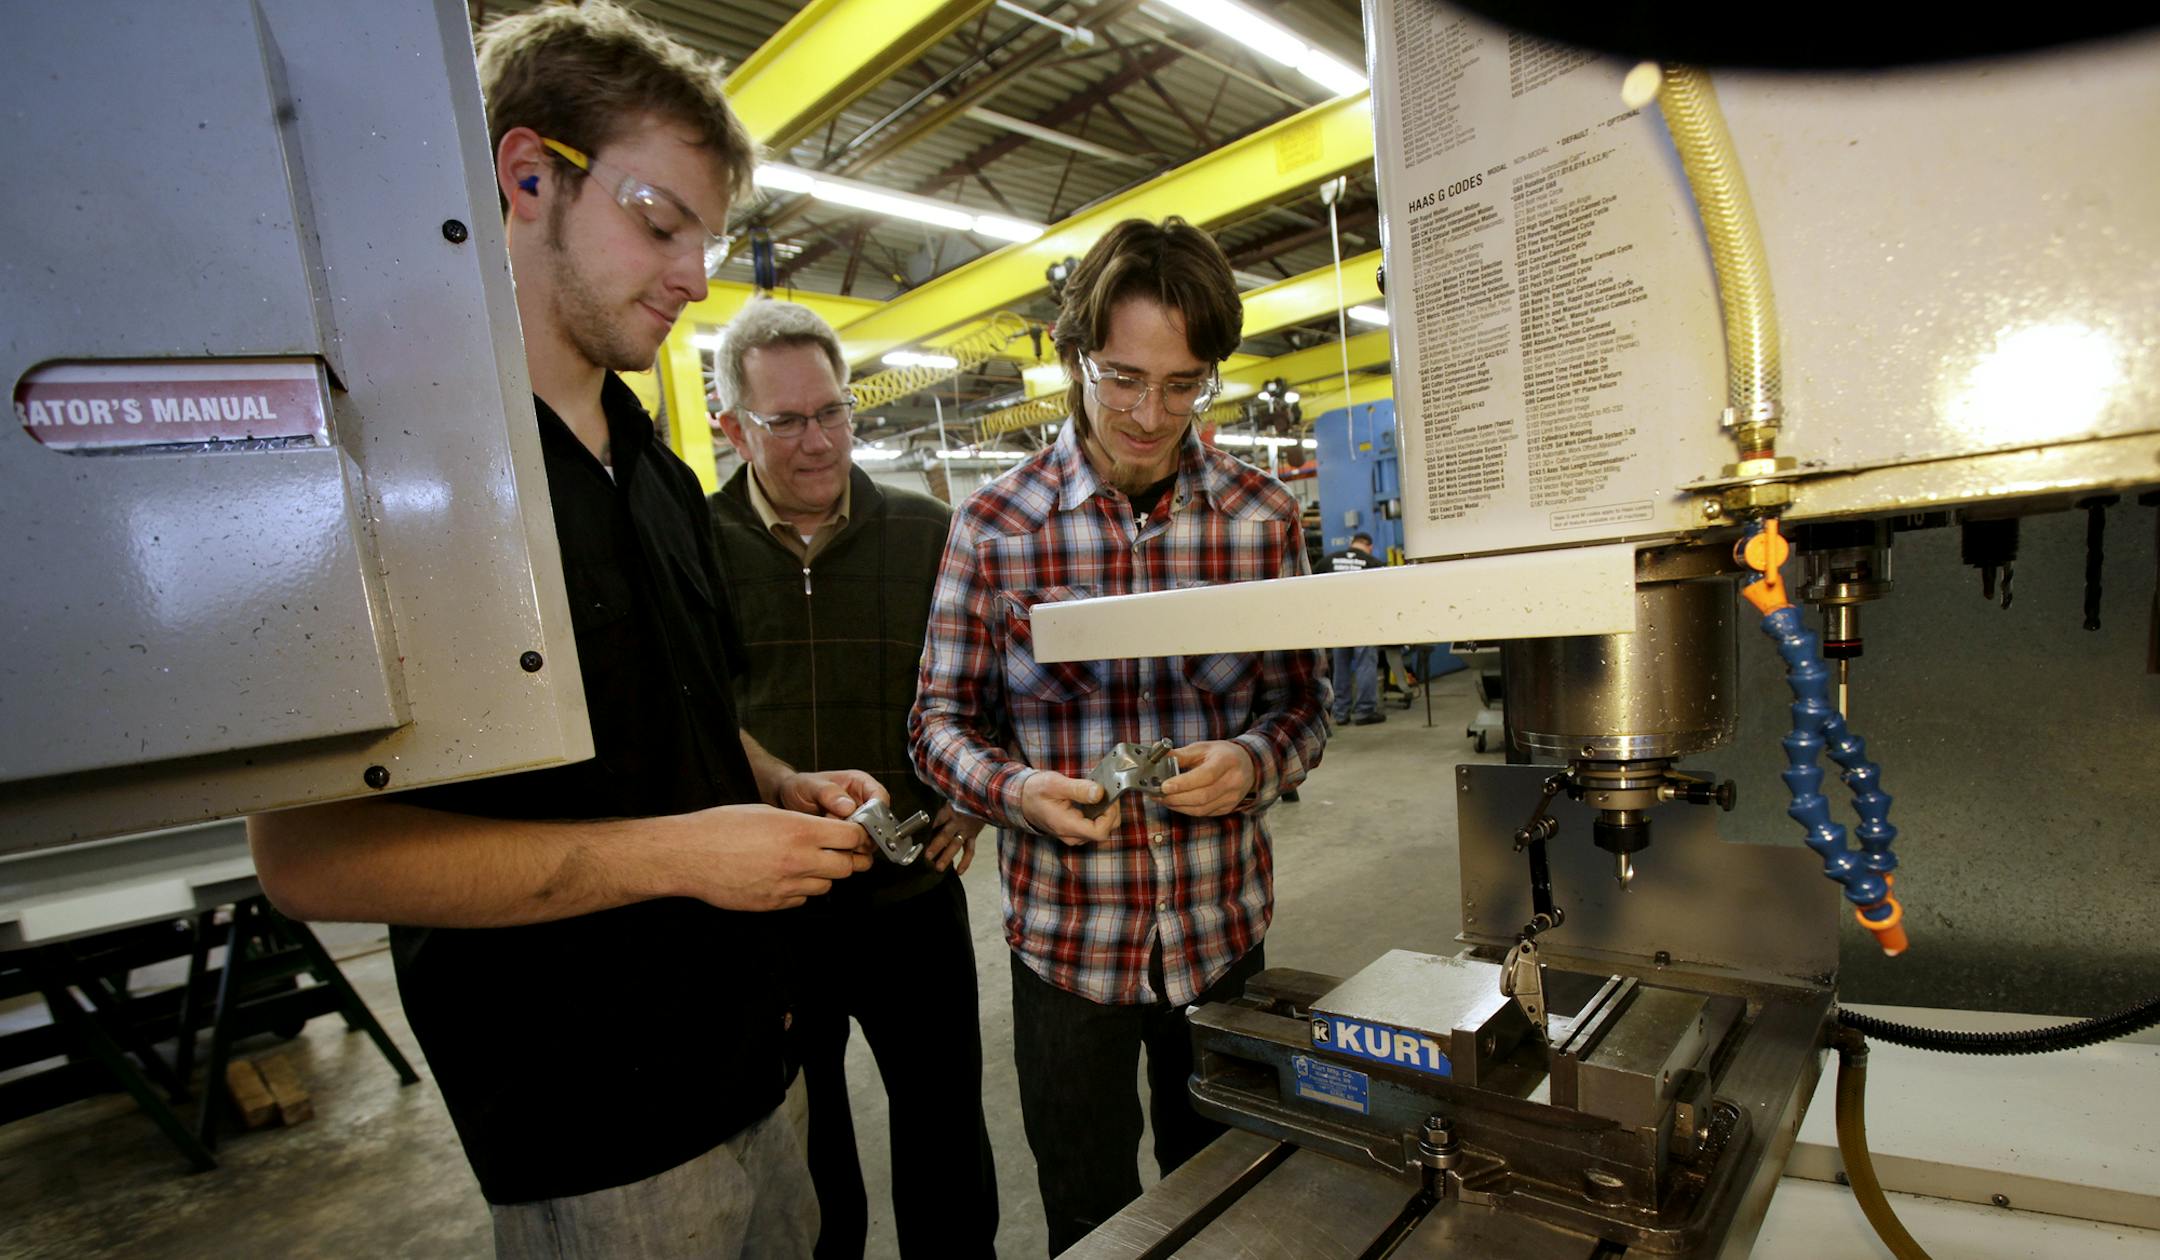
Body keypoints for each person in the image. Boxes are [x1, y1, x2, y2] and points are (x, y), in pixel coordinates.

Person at [248, 6, 880, 1255]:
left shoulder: (652, 467)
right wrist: (680, 858)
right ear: (526, 174)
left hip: (758, 1057)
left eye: (707, 236)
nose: (697, 276)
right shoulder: (394, 471)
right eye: (660, 223)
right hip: (593, 1126)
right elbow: (312, 856)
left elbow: (668, 712)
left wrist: (776, 785)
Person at [908, 216, 1329, 1255]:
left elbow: (1305, 707)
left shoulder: (1261, 518)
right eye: (1123, 378)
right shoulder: (998, 526)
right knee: (1091, 1217)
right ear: (1073, 357)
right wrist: (1014, 793)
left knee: (1230, 1202)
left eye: (1185, 384)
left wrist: (1251, 762)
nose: (1151, 414)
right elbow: (937, 721)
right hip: (1068, 951)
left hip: (1220, 935)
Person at [708, 299, 999, 1260]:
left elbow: (989, 681)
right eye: (785, 421)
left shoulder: (929, 535)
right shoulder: (693, 549)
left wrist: (971, 796)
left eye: (831, 412)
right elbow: (684, 713)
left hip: (912, 899)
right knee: (804, 1146)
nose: (817, 440)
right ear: (733, 426)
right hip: (768, 910)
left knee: (944, 1127)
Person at [1324, 532, 1385, 725]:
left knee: (1340, 667)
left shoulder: (1329, 561)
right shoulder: (1373, 562)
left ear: (1351, 543)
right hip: (1363, 621)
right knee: (1365, 664)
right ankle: (1364, 711)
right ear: (1369, 546)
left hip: (1337, 622)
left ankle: (1340, 713)